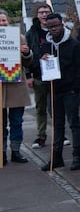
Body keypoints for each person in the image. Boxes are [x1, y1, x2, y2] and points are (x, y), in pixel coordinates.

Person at [40, 13, 80, 171]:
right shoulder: (46, 45)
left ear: (62, 25)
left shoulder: (73, 44)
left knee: (74, 123)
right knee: (57, 125)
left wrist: (75, 88)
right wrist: (42, 59)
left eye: (56, 26)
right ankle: (56, 157)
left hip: (70, 90)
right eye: (50, 27)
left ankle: (77, 156)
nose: (54, 29)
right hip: (54, 90)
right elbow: (38, 67)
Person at [25, 3, 70, 149]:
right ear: (37, 15)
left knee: (56, 107)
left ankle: (60, 134)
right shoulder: (32, 33)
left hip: (56, 75)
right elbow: (26, 55)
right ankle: (41, 136)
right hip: (38, 75)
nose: (44, 15)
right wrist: (28, 75)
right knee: (41, 108)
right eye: (41, 12)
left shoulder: (58, 31)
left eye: (46, 11)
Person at [1, 9, 33, 165]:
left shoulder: (19, 38)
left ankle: (15, 151)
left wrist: (26, 53)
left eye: (4, 20)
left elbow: (27, 62)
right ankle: (2, 152)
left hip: (16, 86)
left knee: (16, 122)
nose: (2, 23)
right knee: (1, 123)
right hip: (1, 87)